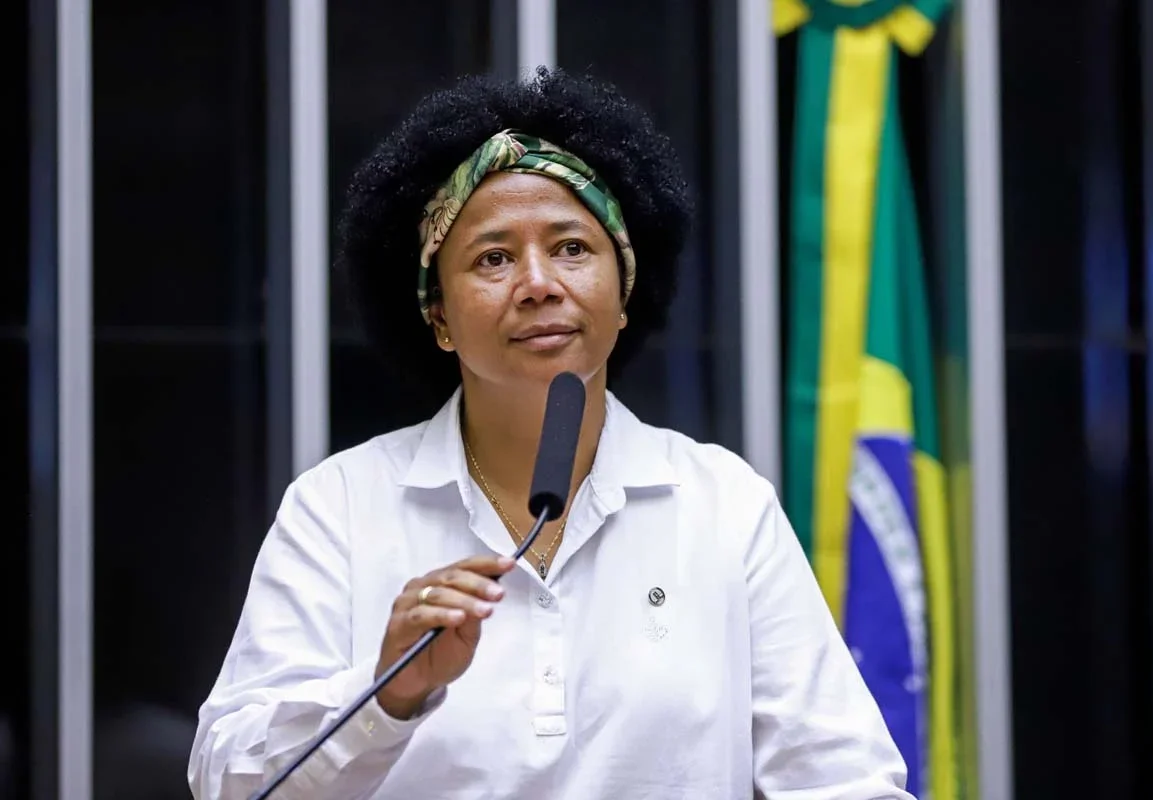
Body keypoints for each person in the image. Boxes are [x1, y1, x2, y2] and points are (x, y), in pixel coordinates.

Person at [187, 68, 913, 800]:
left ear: (623, 291)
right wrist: (385, 695)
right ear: (438, 316)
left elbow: (845, 780)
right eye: (493, 258)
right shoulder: (340, 506)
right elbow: (230, 780)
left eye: (571, 248)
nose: (539, 283)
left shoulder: (723, 503)